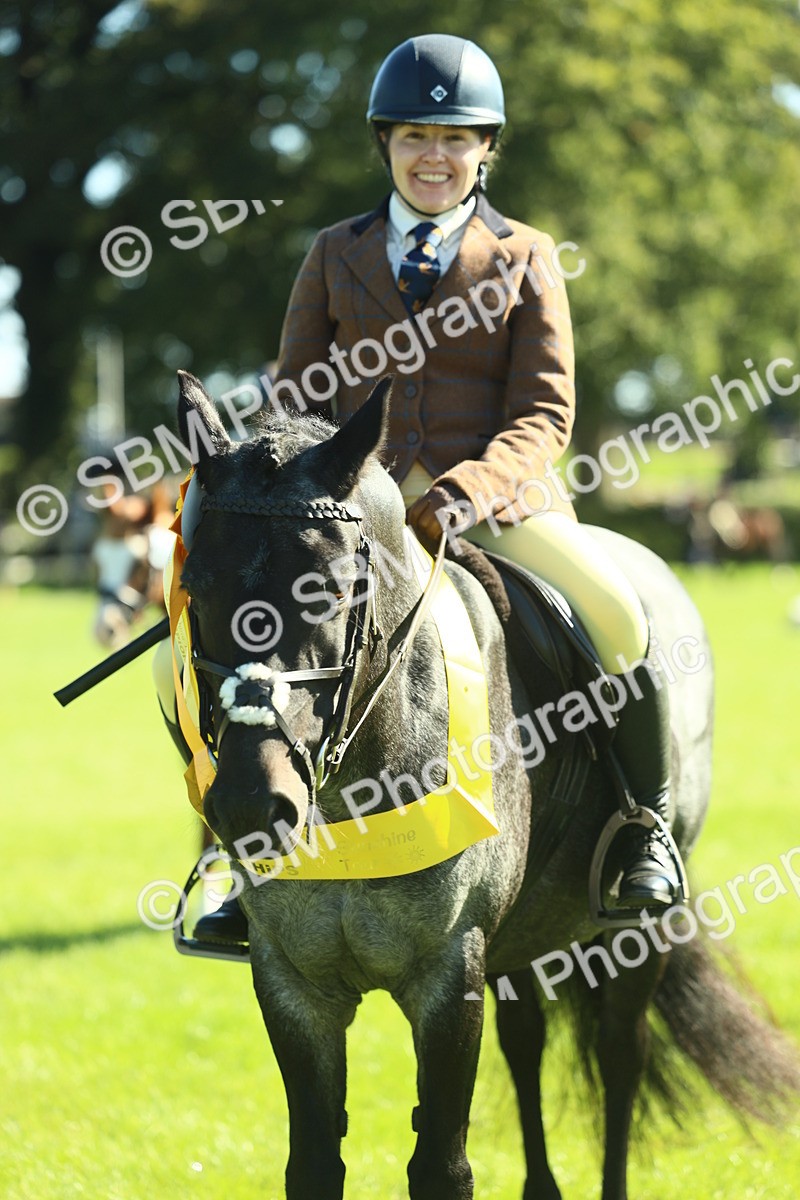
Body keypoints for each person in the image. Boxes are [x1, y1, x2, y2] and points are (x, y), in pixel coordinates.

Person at [190, 33, 683, 943]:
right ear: (385, 144)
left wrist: (466, 490)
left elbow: (545, 414)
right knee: (229, 644)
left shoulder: (528, 255)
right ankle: (235, 862)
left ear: (485, 149)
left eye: (455, 139)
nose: (435, 155)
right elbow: (297, 400)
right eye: (416, 135)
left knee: (618, 615)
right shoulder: (335, 254)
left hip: (494, 509)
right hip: (351, 517)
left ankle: (641, 831)